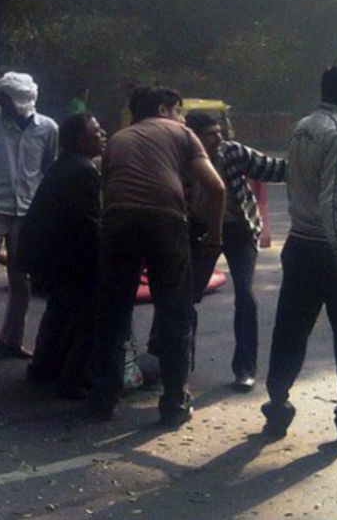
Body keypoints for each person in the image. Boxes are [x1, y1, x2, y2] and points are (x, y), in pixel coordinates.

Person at [86, 85, 225, 427]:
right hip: (165, 221)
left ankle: (103, 399)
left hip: (118, 220)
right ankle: (175, 403)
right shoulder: (182, 133)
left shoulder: (117, 139)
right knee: (174, 313)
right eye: (178, 111)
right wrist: (214, 233)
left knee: (113, 313)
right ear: (164, 109)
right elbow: (216, 187)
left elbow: (106, 188)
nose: (181, 118)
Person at [261, 62, 337, 446]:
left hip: (299, 242)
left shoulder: (302, 127)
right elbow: (333, 195)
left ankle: (277, 405)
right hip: (331, 246)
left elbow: (300, 182)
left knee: (290, 329)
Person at [184, 111, 286, 392]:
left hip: (239, 228)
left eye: (219, 132)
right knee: (185, 297)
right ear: (194, 137)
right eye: (211, 134)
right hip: (201, 230)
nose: (219, 138)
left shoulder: (233, 153)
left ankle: (245, 369)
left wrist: (309, 163)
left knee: (245, 295)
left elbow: (274, 169)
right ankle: (178, 363)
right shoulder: (181, 160)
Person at [0, 72, 59, 363]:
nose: (0, 103)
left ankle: (12, 340)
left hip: (27, 213)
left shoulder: (48, 128)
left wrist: (47, 211)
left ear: (18, 101)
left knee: (22, 281)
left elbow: (49, 169)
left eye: (4, 98)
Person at [19, 113, 106, 399]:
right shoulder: (84, 170)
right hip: (64, 258)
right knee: (90, 315)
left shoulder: (64, 164)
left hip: (45, 254)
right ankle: (74, 379)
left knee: (59, 310)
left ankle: (43, 368)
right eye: (96, 132)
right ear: (81, 140)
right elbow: (87, 225)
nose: (103, 135)